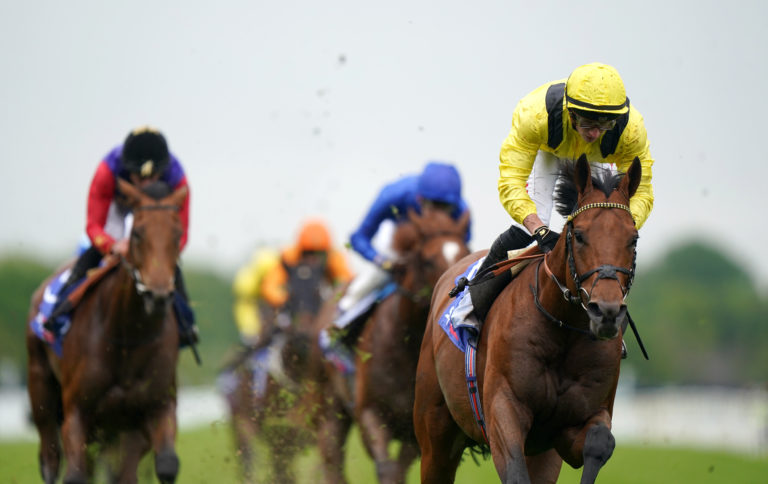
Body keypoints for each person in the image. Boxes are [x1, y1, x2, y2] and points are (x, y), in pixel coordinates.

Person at [459, 62, 655, 328]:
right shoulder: (535, 115)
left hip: (599, 159)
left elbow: (642, 190)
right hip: (548, 152)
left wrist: (620, 225)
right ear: (570, 112)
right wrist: (538, 228)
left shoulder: (630, 130)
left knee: (605, 238)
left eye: (605, 123)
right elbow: (511, 181)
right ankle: (469, 309)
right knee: (528, 232)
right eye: (587, 122)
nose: (595, 132)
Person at [48, 126, 198, 345]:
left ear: (162, 171)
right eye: (139, 177)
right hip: (117, 209)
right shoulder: (107, 170)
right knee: (94, 253)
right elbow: (93, 226)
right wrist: (112, 246)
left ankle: (186, 326)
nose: (146, 184)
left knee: (169, 264)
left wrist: (161, 254)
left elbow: (180, 234)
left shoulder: (177, 177)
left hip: (156, 215)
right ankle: (58, 310)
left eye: (153, 177)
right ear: (128, 170)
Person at [321, 161, 472, 370]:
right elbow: (358, 238)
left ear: (454, 205)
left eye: (444, 208)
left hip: (433, 252)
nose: (437, 215)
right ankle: (339, 328)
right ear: (419, 199)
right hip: (397, 239)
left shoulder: (462, 210)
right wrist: (383, 262)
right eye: (431, 206)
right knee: (372, 279)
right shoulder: (395, 194)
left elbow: (461, 250)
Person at [259, 219, 354, 330]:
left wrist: (333, 301)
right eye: (308, 253)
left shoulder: (335, 258)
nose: (312, 259)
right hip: (292, 309)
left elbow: (347, 283)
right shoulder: (289, 257)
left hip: (322, 306)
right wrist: (285, 299)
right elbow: (270, 287)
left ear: (326, 252)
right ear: (301, 250)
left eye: (318, 254)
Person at [231, 248, 282, 347]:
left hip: (266, 316)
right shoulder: (247, 284)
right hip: (251, 318)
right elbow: (246, 309)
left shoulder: (275, 276)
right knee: (252, 340)